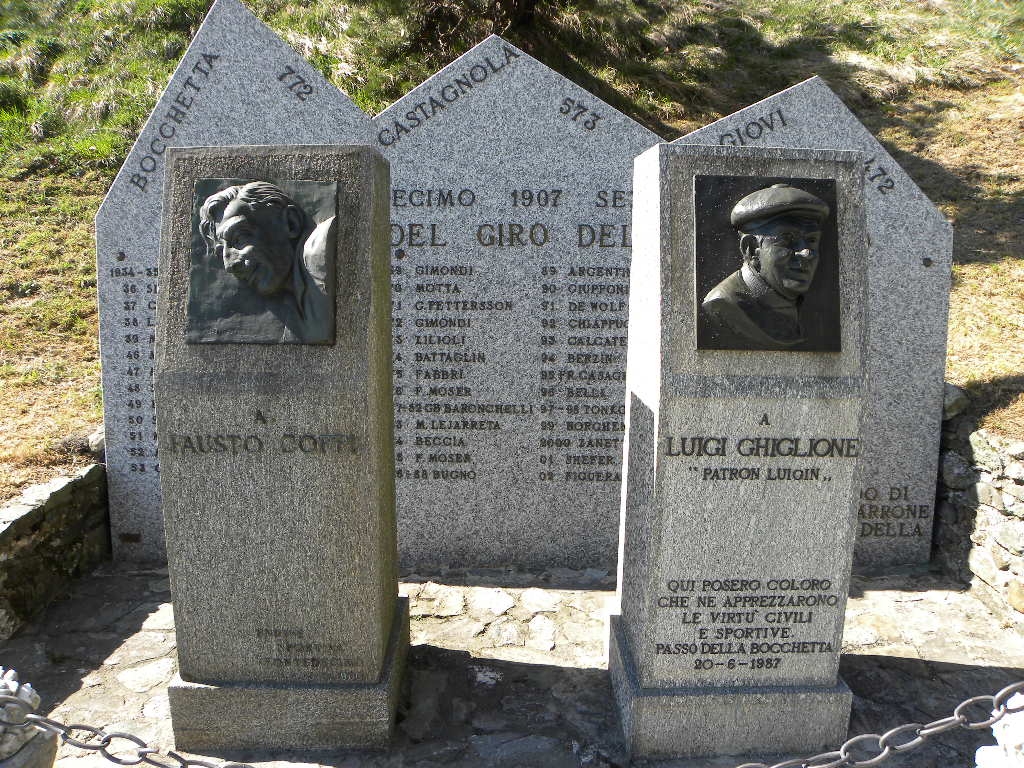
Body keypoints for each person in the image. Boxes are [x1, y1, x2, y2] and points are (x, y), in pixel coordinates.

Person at [198, 181, 335, 343]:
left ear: (291, 223)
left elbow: (321, 334)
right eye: (221, 252)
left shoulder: (321, 247)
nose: (229, 265)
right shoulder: (295, 301)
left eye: (239, 238)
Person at [700, 183, 830, 350]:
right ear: (752, 249)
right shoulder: (722, 305)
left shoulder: (814, 312)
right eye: (787, 240)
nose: (806, 253)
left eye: (812, 240)